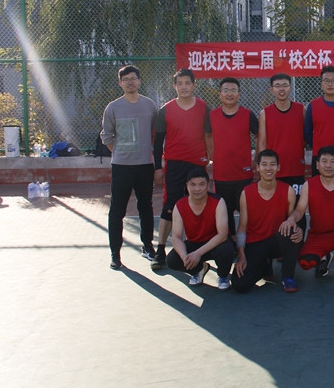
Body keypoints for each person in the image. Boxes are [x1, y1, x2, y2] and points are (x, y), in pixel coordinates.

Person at [280, 145, 334, 287]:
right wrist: (291, 219)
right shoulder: (309, 185)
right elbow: (300, 210)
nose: (328, 165)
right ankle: (324, 257)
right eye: (324, 161)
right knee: (305, 262)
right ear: (317, 165)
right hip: (319, 235)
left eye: (333, 161)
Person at [152, 69, 212, 270]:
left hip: (197, 164)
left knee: (200, 205)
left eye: (187, 83)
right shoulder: (165, 110)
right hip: (174, 165)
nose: (184, 87)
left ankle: (201, 249)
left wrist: (211, 158)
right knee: (170, 206)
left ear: (194, 85)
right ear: (175, 86)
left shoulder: (204, 108)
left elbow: (209, 135)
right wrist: (157, 167)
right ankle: (160, 249)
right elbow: (158, 142)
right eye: (180, 83)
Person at [101, 65, 158, 270]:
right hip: (121, 167)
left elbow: (155, 133)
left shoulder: (150, 105)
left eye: (133, 78)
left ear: (139, 81)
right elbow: (107, 136)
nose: (130, 82)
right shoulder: (113, 108)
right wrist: (121, 153)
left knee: (146, 207)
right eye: (126, 79)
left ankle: (147, 247)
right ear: (120, 83)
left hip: (145, 165)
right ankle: (115, 254)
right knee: (117, 210)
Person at [230, 150, 303, 293]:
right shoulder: (246, 193)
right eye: (264, 164)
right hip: (255, 243)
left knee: (292, 232)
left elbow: (291, 220)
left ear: (278, 167)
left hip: (277, 241)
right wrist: (241, 255)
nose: (268, 168)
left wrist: (298, 229)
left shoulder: (288, 191)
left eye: (272, 164)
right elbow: (242, 228)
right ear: (257, 167)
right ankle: (264, 266)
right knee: (239, 285)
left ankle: (288, 276)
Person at [166, 168, 236, 290]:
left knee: (226, 250)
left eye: (201, 184)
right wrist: (185, 257)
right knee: (172, 260)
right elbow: (176, 237)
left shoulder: (218, 202)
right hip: (194, 243)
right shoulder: (179, 205)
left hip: (215, 243)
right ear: (187, 186)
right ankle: (198, 269)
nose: (197, 188)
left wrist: (197, 254)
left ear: (208, 185)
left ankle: (223, 276)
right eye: (193, 184)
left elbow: (222, 235)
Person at [208, 77, 258, 237]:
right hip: (221, 175)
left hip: (243, 175)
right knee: (225, 213)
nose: (229, 94)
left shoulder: (248, 115)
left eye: (233, 90)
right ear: (220, 94)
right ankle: (229, 241)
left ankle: (247, 242)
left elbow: (260, 135)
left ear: (239, 94)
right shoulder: (212, 115)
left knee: (247, 212)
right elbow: (207, 135)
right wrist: (211, 156)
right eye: (226, 90)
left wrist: (256, 157)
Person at [257, 73, 307, 200]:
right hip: (274, 169)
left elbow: (307, 136)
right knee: (277, 206)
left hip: (295, 168)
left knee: (296, 206)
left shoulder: (301, 109)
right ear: (272, 89)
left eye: (285, 85)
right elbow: (262, 142)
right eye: (277, 86)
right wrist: (263, 166)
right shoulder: (265, 113)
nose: (281, 89)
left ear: (290, 87)